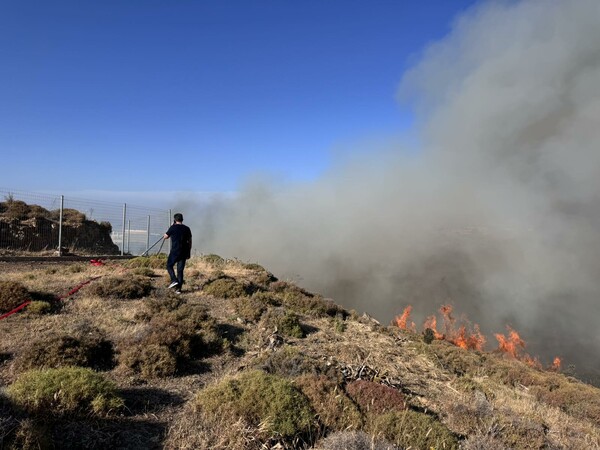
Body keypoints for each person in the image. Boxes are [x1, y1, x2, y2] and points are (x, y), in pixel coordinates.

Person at [163, 213, 192, 293]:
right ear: (182, 219)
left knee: (169, 265)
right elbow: (190, 241)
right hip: (184, 251)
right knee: (180, 270)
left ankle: (174, 280)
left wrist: (171, 226)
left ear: (175, 220)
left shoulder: (172, 228)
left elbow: (165, 237)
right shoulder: (187, 228)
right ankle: (178, 290)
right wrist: (188, 252)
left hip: (175, 251)